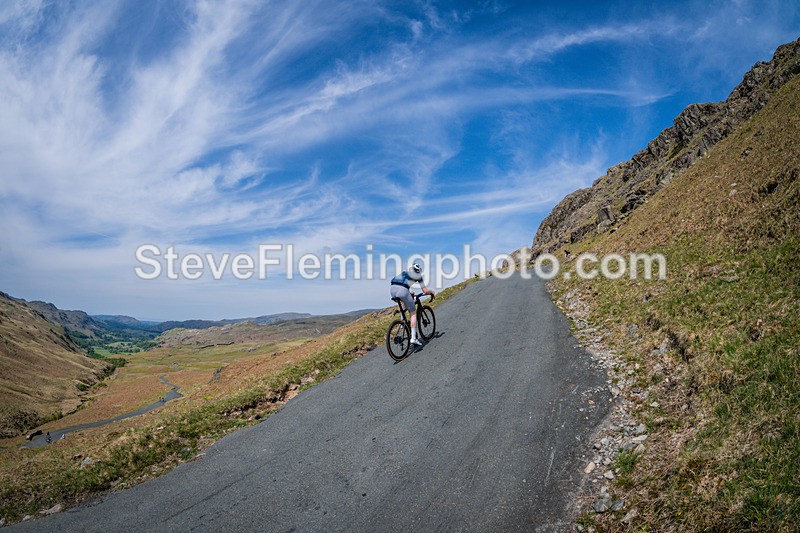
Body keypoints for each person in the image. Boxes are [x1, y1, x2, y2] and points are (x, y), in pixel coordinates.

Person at [390, 262, 435, 346]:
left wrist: (408, 293)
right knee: (413, 313)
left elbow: (400, 284)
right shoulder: (418, 276)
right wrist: (431, 292)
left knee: (404, 301)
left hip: (392, 289)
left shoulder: (404, 273)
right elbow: (425, 291)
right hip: (402, 290)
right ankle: (413, 338)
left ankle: (403, 323)